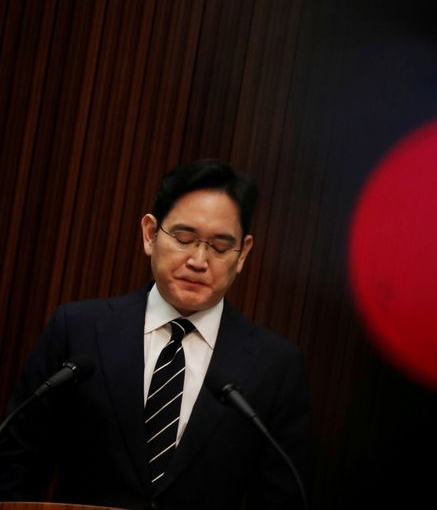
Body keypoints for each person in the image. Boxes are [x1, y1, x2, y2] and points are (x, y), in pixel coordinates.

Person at [0, 160, 311, 509]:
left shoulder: (277, 366)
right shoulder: (79, 330)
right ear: (150, 234)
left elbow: (280, 497)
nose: (198, 260)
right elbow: (16, 464)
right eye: (183, 238)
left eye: (220, 247)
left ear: (243, 254)